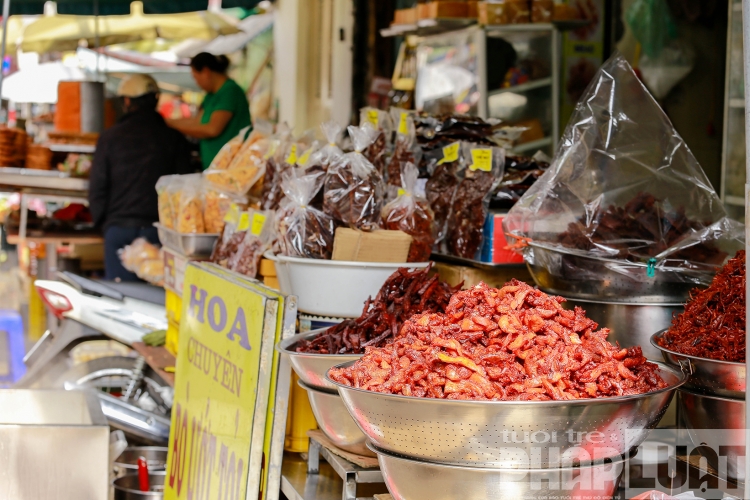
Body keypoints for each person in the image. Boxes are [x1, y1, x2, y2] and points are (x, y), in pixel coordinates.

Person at [89, 74, 192, 281]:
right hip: (160, 233)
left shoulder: (109, 138)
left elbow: (98, 186)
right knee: (158, 301)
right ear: (155, 100)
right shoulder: (174, 138)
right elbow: (185, 188)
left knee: (121, 301)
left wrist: (104, 224)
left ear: (126, 101)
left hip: (119, 230)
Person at [168, 53, 251, 169]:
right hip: (215, 167)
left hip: (232, 166)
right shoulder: (210, 96)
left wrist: (170, 124)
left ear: (206, 72)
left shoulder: (230, 91)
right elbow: (196, 122)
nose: (197, 83)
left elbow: (212, 129)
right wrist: (166, 121)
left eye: (196, 77)